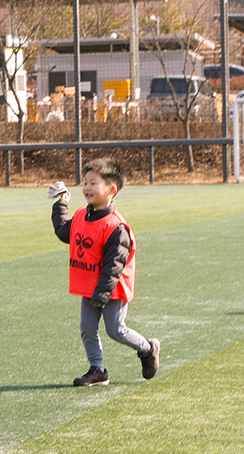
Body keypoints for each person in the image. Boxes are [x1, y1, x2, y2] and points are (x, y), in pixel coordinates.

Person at [47, 159, 162, 387]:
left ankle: (148, 349)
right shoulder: (81, 215)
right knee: (87, 329)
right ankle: (98, 370)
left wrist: (101, 295)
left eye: (93, 183)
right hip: (90, 287)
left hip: (112, 290)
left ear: (111, 190)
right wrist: (61, 205)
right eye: (85, 182)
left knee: (116, 330)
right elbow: (64, 232)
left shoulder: (115, 227)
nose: (87, 188)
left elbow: (114, 267)